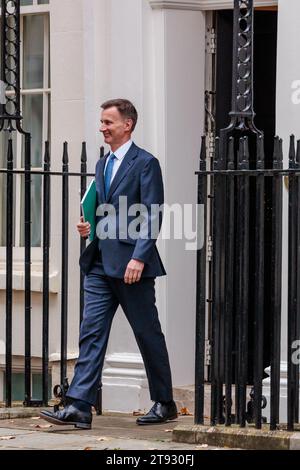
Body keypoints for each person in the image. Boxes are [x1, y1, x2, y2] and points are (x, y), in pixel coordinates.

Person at [40, 99, 177, 429]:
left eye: (108, 122)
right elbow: (104, 209)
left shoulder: (146, 163)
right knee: (91, 333)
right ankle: (79, 406)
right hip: (100, 263)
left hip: (132, 266)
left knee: (147, 334)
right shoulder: (102, 165)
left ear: (126, 125)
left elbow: (152, 213)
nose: (102, 127)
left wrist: (139, 258)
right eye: (101, 122)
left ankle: (165, 402)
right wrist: (89, 226)